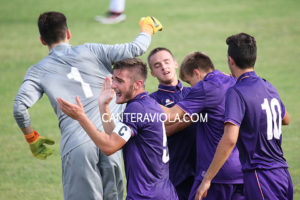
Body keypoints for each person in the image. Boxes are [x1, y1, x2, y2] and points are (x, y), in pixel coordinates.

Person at [13, 11, 162, 200]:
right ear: (68, 34)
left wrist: (31, 139)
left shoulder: (37, 71)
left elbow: (19, 107)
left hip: (77, 148)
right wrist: (147, 27)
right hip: (110, 141)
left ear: (42, 40)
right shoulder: (92, 50)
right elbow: (136, 48)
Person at [57, 58, 178, 200]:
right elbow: (116, 137)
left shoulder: (137, 109)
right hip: (163, 193)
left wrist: (81, 118)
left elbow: (109, 147)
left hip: (146, 196)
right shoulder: (148, 104)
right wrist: (103, 106)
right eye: (113, 79)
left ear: (137, 84)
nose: (113, 86)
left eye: (120, 81)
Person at [195, 33, 293, 200]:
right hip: (283, 173)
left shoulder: (237, 91)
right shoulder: (268, 85)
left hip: (261, 176)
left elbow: (230, 139)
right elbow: (286, 119)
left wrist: (207, 179)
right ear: (254, 58)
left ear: (230, 60)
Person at [161, 52, 245, 200]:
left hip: (215, 174)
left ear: (197, 73)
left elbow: (170, 116)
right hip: (241, 170)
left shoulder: (205, 88)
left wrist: (141, 100)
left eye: (189, 81)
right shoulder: (234, 81)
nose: (191, 88)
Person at [148, 47, 196, 199]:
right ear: (152, 73)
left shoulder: (194, 92)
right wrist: (188, 120)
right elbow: (160, 132)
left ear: (175, 63)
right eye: (157, 65)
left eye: (166, 61)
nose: (163, 66)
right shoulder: (151, 101)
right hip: (173, 174)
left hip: (201, 171)